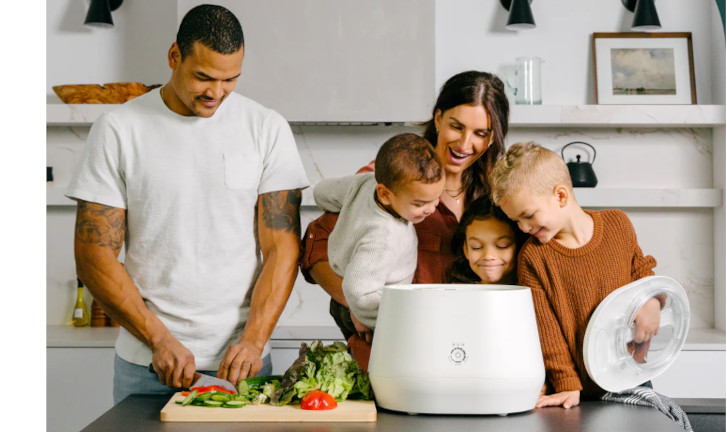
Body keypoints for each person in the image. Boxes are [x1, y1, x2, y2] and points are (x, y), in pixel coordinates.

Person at [66, 4, 310, 404]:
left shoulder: (266, 128)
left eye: (230, 79)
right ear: (174, 57)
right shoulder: (118, 130)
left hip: (245, 365)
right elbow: (94, 255)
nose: (216, 92)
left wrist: (253, 340)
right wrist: (158, 339)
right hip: (147, 366)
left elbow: (281, 247)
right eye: (203, 77)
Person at [300, 71, 509, 362]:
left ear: (491, 139)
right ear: (438, 119)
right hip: (392, 348)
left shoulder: (497, 194)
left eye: (480, 134)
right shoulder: (391, 177)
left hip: (468, 348)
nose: (464, 143)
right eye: (456, 126)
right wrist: (357, 307)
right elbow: (317, 245)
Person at [489, 142, 664, 409]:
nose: (523, 227)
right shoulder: (534, 258)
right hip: (578, 391)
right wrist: (568, 383)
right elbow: (547, 333)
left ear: (560, 196)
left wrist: (652, 301)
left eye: (528, 216)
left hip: (632, 377)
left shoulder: (618, 225)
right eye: (516, 221)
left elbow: (641, 273)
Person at [315, 133, 444, 341]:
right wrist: (378, 321)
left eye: (437, 198)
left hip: (354, 288)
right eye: (420, 204)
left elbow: (322, 193)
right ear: (385, 194)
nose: (431, 209)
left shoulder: (364, 184)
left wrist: (350, 211)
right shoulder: (382, 238)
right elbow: (358, 291)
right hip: (370, 306)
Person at [447, 195, 525, 284]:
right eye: (476, 247)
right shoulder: (457, 294)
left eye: (502, 245)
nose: (488, 256)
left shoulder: (533, 292)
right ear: (466, 250)